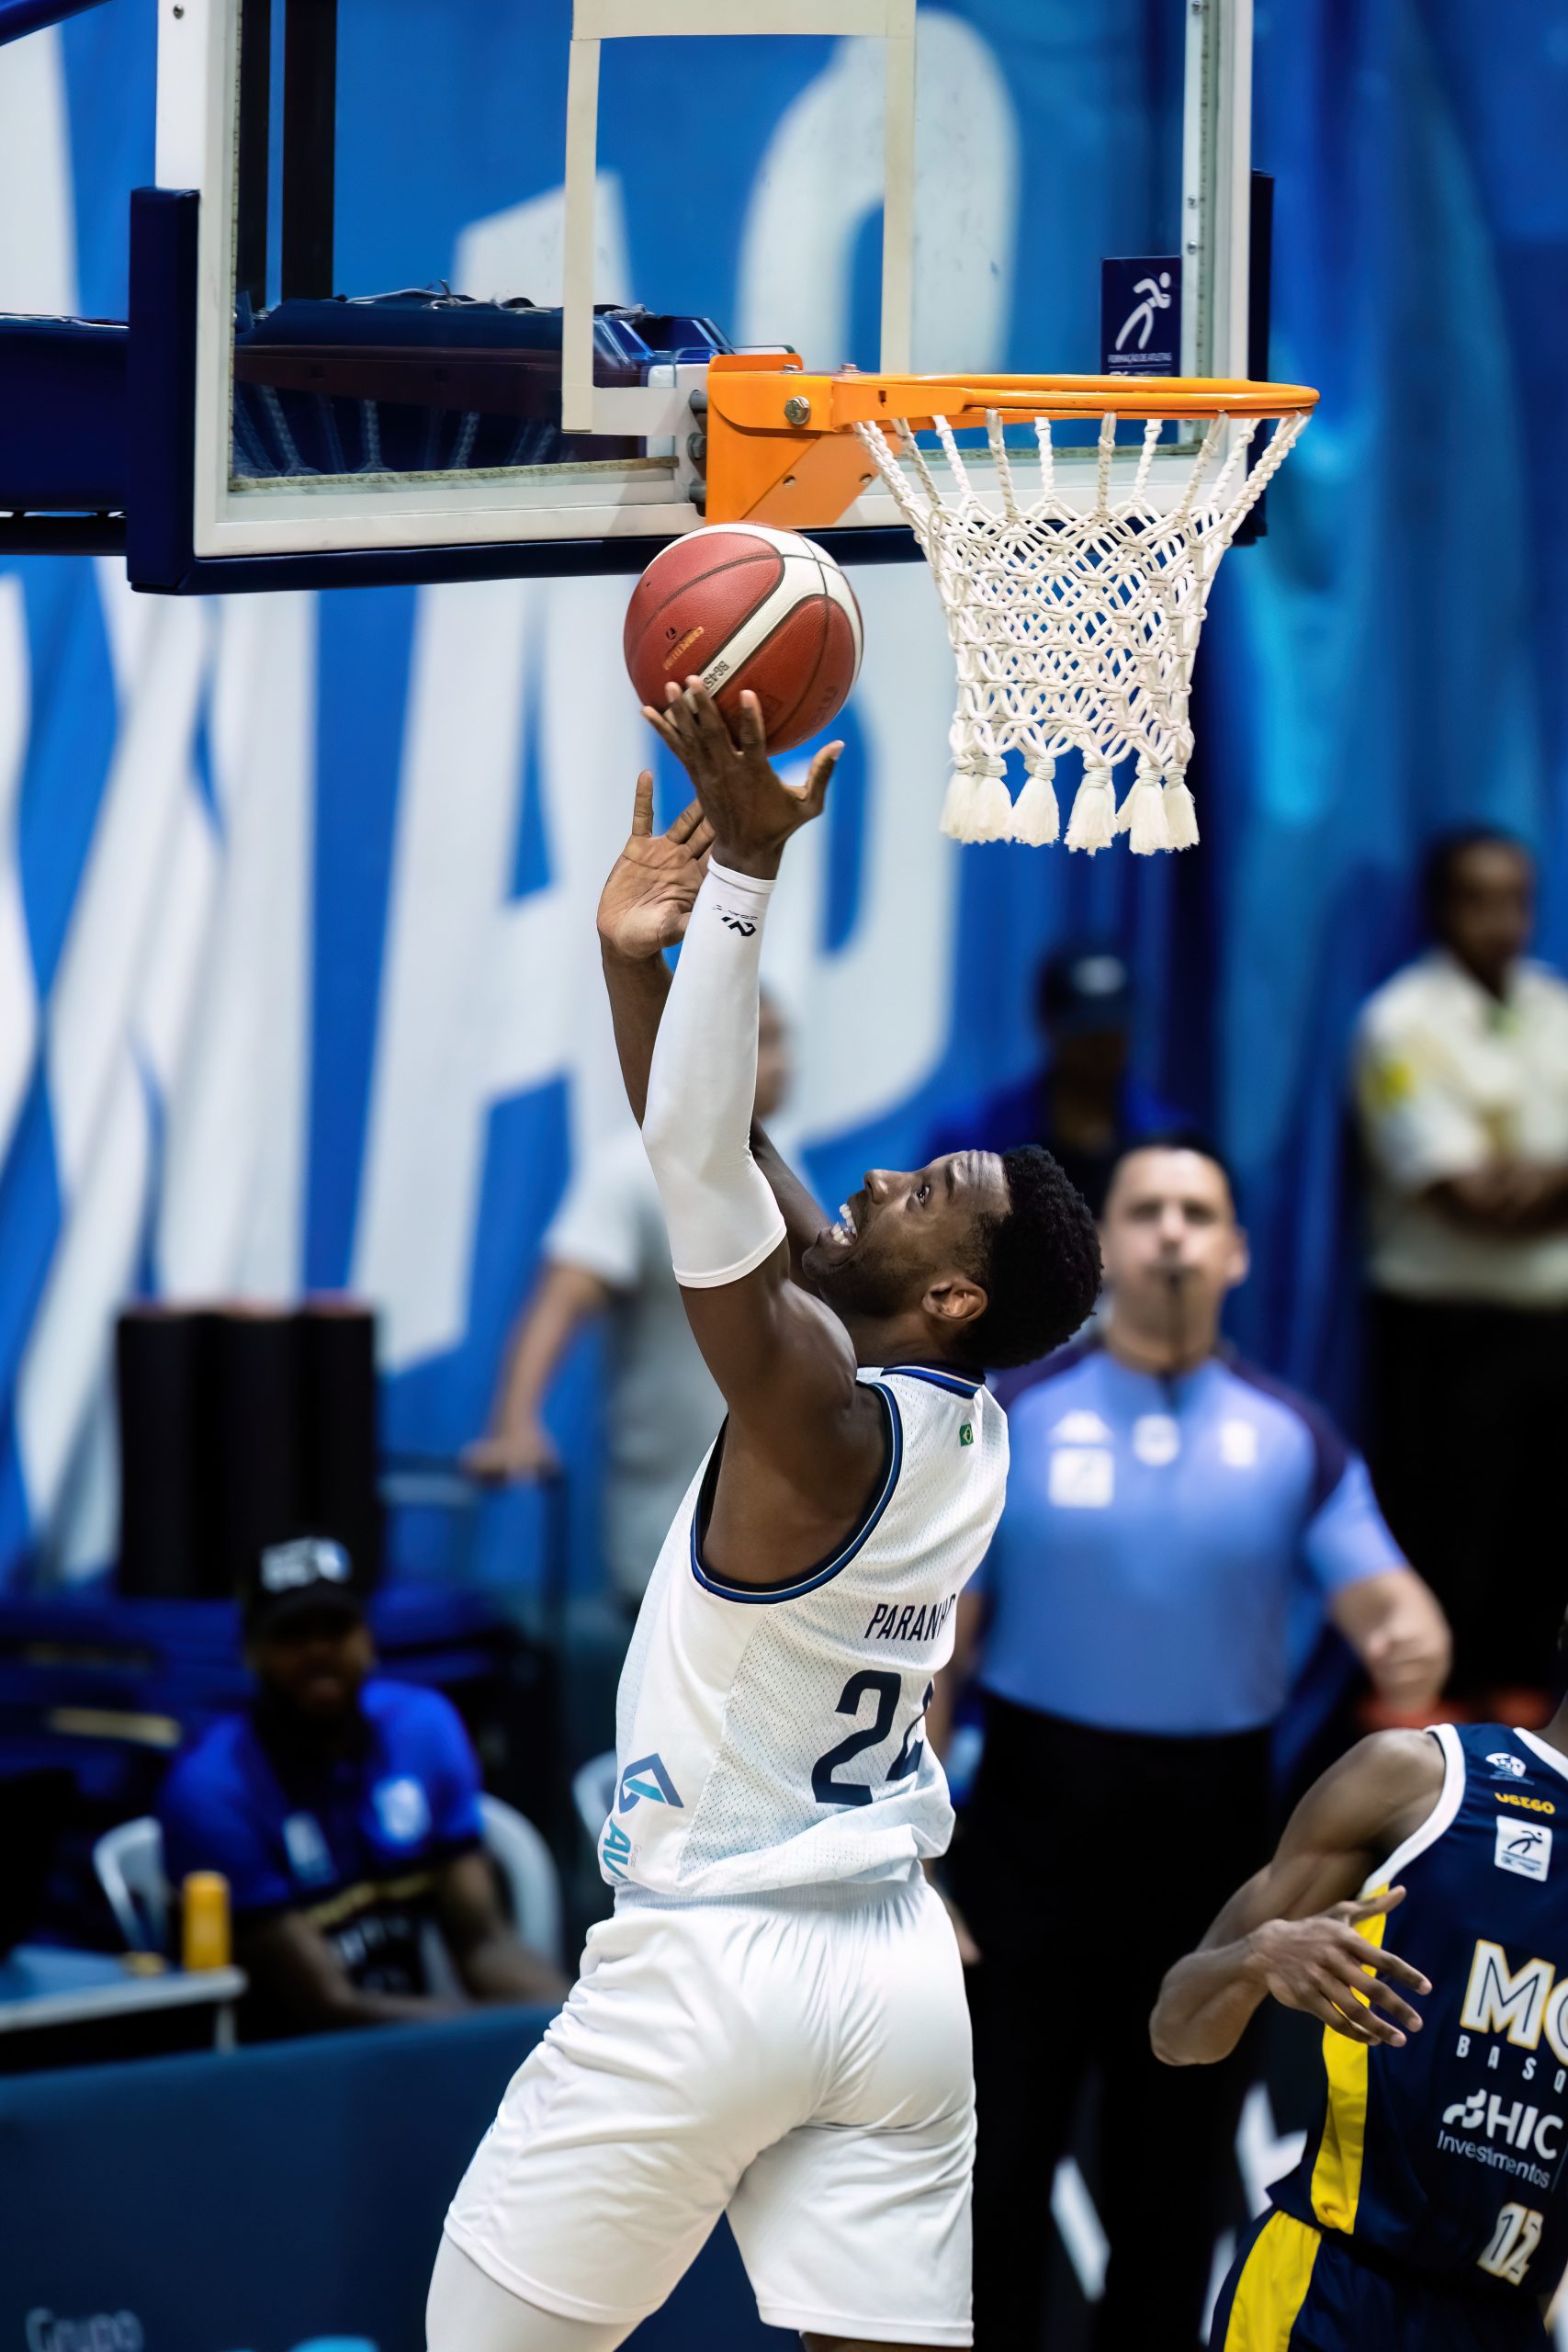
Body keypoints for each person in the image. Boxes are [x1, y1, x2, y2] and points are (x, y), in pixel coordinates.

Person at [426, 685, 1102, 2352]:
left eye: (921, 1195)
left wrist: (740, 877)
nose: (875, 1179)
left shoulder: (814, 1409)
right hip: (891, 1972)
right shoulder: (964, 1422)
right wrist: (633, 964)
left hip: (712, 1961)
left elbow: (698, 1167)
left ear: (950, 1296)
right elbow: (728, 1140)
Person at [936, 1135, 1451, 2352]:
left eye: (1197, 1212)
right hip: (1026, 1829)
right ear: (1104, 1249)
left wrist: (1408, 1638)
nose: (1171, 1230)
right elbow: (937, 1654)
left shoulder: (1292, 1438)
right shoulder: (1014, 1419)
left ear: (1236, 1253)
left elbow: (1393, 1606)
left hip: (1208, 1842)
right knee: (996, 2160)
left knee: (1170, 2181)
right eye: (1146, 1209)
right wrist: (926, 1863)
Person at [1152, 1656, 1568, 2347]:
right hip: (1330, 2286)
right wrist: (1257, 1955)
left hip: (1504, 2319)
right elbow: (1175, 2027)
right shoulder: (1421, 1779)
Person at [158, 1535, 565, 2035]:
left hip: (414, 2037)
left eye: (336, 1628)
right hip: (285, 2057)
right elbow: (328, 2006)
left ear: (369, 1637)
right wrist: (499, 2035)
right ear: (251, 1651)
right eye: (292, 1633)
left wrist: (577, 2024)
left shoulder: (423, 1730)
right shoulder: (213, 1791)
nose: (318, 1651)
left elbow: (483, 1943)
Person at [464, 999, 791, 1612]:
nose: (781, 1063)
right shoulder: (633, 1173)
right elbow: (562, 1299)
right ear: (709, 1056)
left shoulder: (781, 1167)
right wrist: (514, 1424)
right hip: (671, 1530)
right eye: (762, 1042)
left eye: (781, 1040)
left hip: (779, 1533)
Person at [1354, 829, 1568, 1704]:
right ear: (1442, 909)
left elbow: (1505, 1187)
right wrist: (1534, 1180)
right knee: (1446, 1541)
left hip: (1550, 1330)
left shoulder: (1554, 1006)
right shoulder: (1400, 1024)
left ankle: (1518, 1738)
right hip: (1443, 1336)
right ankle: (1423, 1743)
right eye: (1479, 900)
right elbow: (1468, 1198)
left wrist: (1523, 1177)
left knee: (1539, 1549)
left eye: (1516, 899)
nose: (1502, 921)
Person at [925, 944, 1184, 1215]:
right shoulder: (973, 1138)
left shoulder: (1171, 1146)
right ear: (1047, 1025)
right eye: (1083, 1029)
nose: (1099, 1046)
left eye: (1111, 1029)